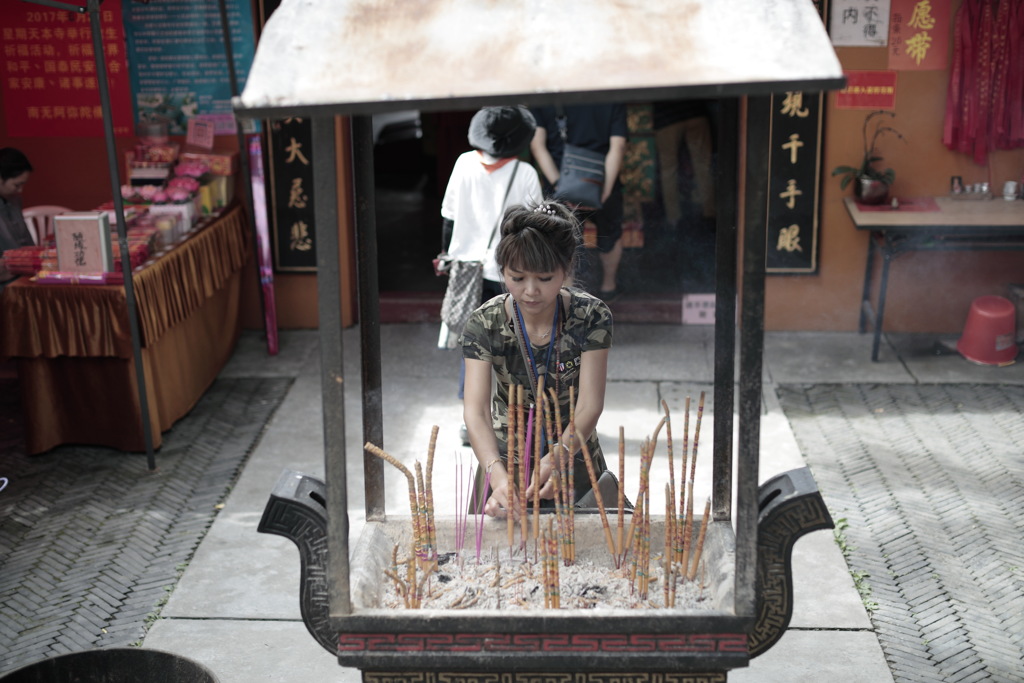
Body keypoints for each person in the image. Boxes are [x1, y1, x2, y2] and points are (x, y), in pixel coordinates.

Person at [461, 201, 613, 517]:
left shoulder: (591, 316)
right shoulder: (484, 322)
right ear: (501, 271)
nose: (530, 291)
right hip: (505, 460)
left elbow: (590, 405)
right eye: (517, 278)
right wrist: (496, 474)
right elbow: (475, 411)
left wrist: (557, 457)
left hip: (575, 455)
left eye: (544, 278)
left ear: (566, 269)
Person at [438, 105, 542, 408]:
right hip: (513, 273)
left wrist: (446, 257)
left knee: (476, 345)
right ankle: (517, 413)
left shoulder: (463, 164)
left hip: (467, 270)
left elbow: (449, 217)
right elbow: (535, 229)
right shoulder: (525, 173)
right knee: (520, 343)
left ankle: (471, 417)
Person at [529, 103, 627, 301]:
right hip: (601, 181)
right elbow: (618, 146)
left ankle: (567, 295)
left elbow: (537, 146)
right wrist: (604, 191)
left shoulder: (546, 98)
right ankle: (609, 287)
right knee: (610, 233)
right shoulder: (612, 96)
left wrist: (560, 188)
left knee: (563, 240)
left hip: (560, 182)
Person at [652, 100, 716, 227]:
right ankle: (711, 213)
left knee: (668, 169)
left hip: (666, 117)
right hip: (694, 110)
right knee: (703, 165)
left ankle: (673, 218)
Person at [0, 147, 36, 284]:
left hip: (20, 271)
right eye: (17, 185)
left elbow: (24, 240)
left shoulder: (13, 199)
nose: (20, 190)